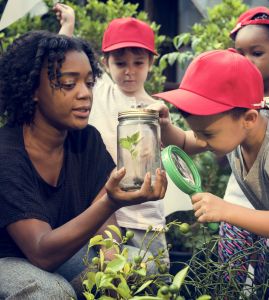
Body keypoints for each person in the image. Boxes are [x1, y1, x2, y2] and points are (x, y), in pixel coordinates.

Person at [0, 30, 167, 299]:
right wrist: (111, 202)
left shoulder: (85, 139)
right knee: (50, 292)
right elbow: (42, 253)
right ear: (33, 90)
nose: (84, 94)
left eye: (89, 83)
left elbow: (104, 216)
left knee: (141, 264)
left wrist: (113, 257)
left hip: (64, 253)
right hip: (9, 261)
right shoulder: (6, 153)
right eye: (69, 84)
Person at [152, 48, 269, 299]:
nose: (200, 140)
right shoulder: (234, 130)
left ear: (249, 118)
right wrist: (165, 126)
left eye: (206, 135)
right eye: (197, 132)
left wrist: (226, 210)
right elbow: (187, 143)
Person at [54, 2, 192, 267]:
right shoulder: (101, 90)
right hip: (101, 213)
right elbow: (62, 59)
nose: (129, 71)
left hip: (146, 217)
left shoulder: (156, 110)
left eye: (138, 62)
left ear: (151, 63)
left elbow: (176, 149)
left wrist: (166, 127)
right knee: (106, 278)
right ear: (106, 63)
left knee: (154, 277)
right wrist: (68, 25)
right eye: (120, 63)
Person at [219, 6, 269, 285]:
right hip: (236, 206)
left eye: (256, 53)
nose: (245, 61)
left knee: (268, 284)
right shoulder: (230, 104)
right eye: (239, 53)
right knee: (229, 280)